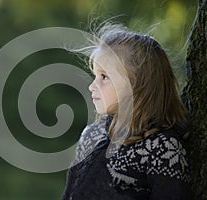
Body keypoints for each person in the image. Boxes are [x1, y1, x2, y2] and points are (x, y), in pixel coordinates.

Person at [61, 21, 192, 200]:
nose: (93, 86)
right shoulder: (92, 135)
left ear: (137, 84)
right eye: (95, 76)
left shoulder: (162, 148)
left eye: (104, 77)